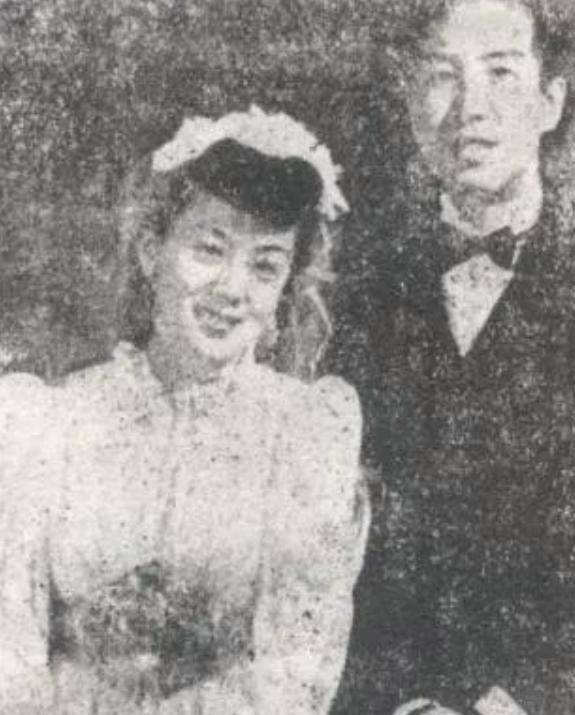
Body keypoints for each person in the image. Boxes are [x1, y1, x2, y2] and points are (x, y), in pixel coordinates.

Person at [0, 106, 368, 714]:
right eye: (209, 249)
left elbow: (295, 673)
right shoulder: (50, 420)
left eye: (264, 265)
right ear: (152, 251)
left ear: (284, 287)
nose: (232, 289)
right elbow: (9, 650)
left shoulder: (304, 434)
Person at [328, 1, 575, 714]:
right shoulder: (354, 298)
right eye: (442, 75)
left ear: (551, 100)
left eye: (500, 73)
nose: (470, 108)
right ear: (410, 104)